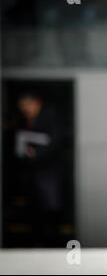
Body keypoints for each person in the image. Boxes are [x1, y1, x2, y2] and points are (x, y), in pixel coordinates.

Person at [15, 91, 64, 247]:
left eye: (26, 106)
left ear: (35, 102)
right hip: (33, 173)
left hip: (49, 170)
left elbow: (56, 140)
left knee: (51, 208)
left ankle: (52, 242)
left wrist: (37, 153)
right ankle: (39, 241)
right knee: (35, 209)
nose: (25, 111)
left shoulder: (50, 115)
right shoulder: (25, 119)